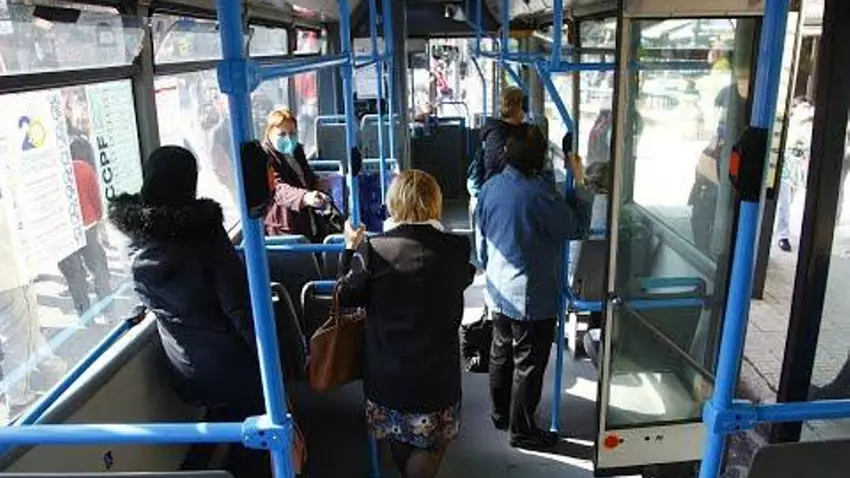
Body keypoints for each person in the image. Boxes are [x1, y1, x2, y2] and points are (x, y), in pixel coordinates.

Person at [108, 146, 303, 476]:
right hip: (228, 365)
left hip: (182, 368)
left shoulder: (135, 241)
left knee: (228, 412)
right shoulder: (205, 235)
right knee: (263, 414)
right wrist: (274, 360)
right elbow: (239, 307)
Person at [337, 170, 474, 478]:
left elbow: (346, 295)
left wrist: (349, 250)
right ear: (435, 202)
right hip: (437, 373)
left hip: (387, 372)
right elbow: (463, 278)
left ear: (393, 203)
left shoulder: (373, 250)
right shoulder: (456, 248)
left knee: (398, 437)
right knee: (431, 444)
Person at [475, 126, 592, 449]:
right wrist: (580, 184)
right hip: (531, 297)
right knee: (528, 364)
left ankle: (501, 414)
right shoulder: (539, 196)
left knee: (501, 351)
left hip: (498, 289)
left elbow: (482, 239)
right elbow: (575, 227)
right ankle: (522, 430)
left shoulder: (491, 187)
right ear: (538, 163)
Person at [1, 182, 66, 422]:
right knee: (18, 341)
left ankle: (51, 365)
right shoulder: (6, 205)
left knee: (25, 331)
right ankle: (19, 398)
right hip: (12, 280)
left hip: (7, 281)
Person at [57, 137, 113, 321]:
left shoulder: (56, 172)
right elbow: (96, 198)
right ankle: (108, 310)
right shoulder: (84, 168)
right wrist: (98, 217)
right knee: (98, 267)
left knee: (75, 276)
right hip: (88, 224)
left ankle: (86, 317)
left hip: (65, 230)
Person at [263, 108, 328, 242]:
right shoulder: (265, 156)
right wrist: (305, 197)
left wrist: (317, 184)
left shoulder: (297, 150)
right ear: (269, 133)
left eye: (292, 133)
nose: (288, 138)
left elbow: (306, 175)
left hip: (307, 216)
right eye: (282, 134)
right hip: (284, 224)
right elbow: (278, 189)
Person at [775, 98, 814, 252]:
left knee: (789, 202)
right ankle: (782, 235)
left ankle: (781, 230)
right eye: (803, 107)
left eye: (808, 107)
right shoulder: (789, 125)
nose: (806, 110)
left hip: (799, 169)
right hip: (786, 167)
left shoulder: (809, 127)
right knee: (784, 203)